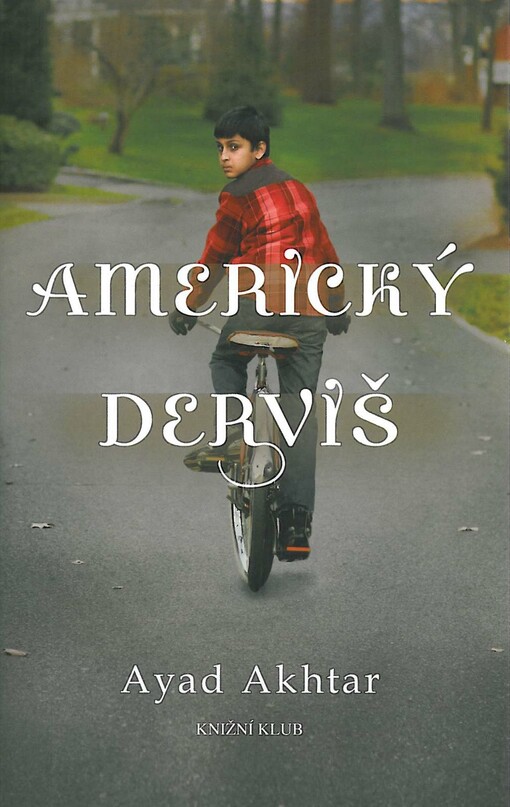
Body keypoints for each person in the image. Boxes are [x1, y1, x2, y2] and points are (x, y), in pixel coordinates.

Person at [169, 106, 349, 559]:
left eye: (234, 147)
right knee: (299, 410)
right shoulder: (299, 189)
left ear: (260, 149)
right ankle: (296, 523)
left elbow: (215, 258)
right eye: (220, 148)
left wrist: (188, 306)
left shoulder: (238, 196)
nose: (224, 157)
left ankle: (233, 437)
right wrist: (338, 307)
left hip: (261, 307)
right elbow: (325, 253)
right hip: (308, 312)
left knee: (226, 358)